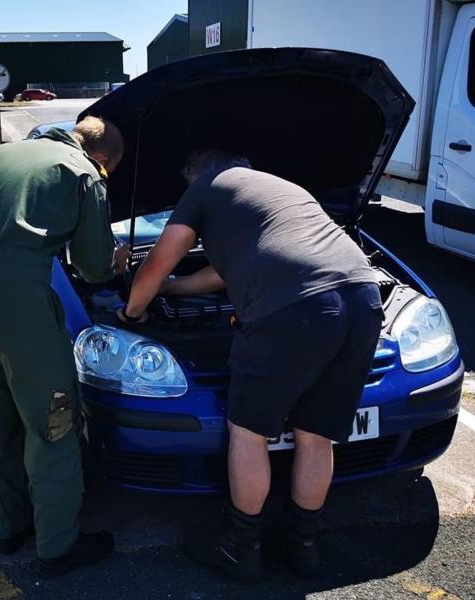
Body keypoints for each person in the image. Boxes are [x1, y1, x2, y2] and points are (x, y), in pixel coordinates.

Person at [119, 151, 383, 581]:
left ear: (195, 176)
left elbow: (157, 262)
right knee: (316, 437)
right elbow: (219, 275)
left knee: (249, 433)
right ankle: (305, 549)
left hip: (295, 309)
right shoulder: (277, 189)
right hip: (362, 298)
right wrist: (173, 290)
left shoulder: (205, 186)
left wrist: (133, 311)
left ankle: (240, 549)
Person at [0, 116, 129, 578]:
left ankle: (8, 528)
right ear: (103, 157)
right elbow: (91, 268)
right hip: (18, 310)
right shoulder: (83, 172)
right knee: (54, 419)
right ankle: (57, 547)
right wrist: (116, 262)